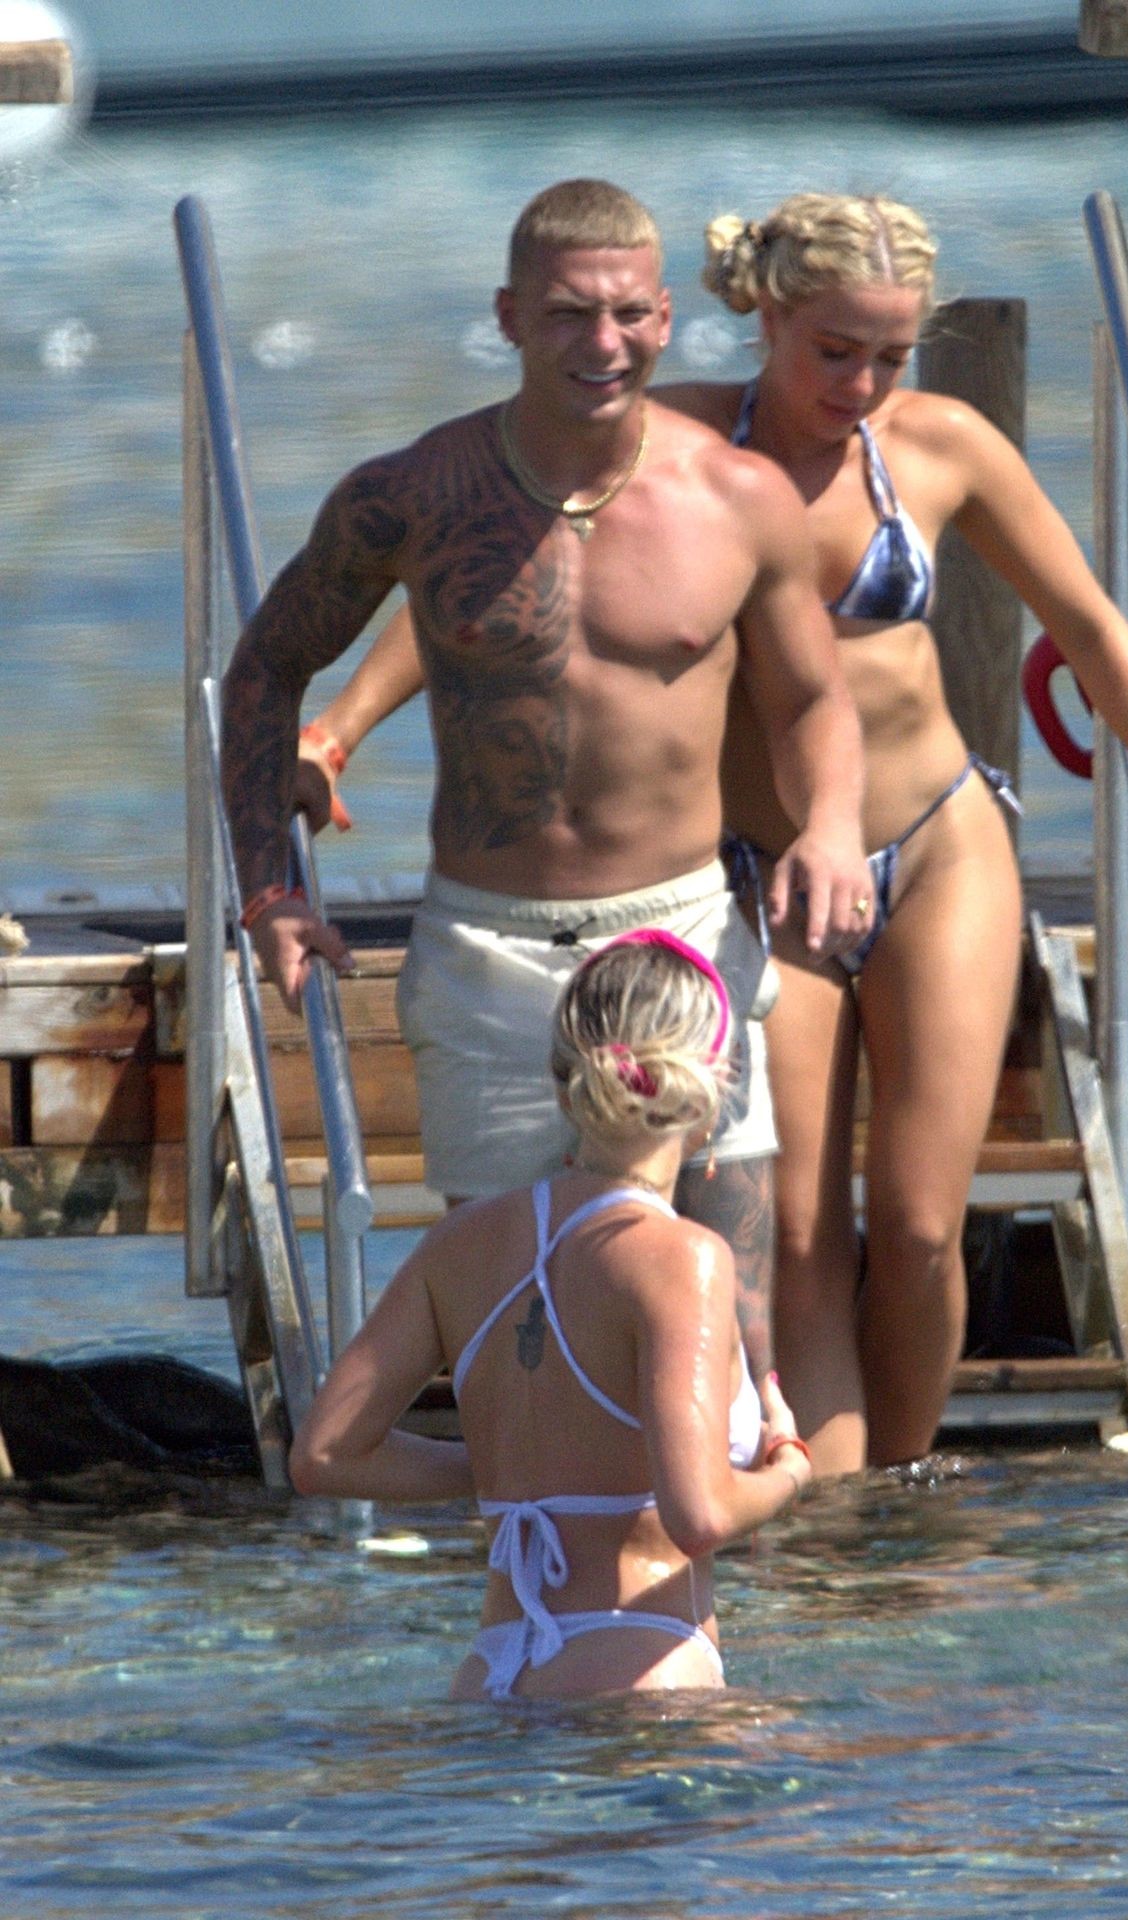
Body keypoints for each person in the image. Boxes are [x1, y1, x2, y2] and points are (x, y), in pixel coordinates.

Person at [295, 191, 1128, 1474]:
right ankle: (819, 1519)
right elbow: (491, 585)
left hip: (932, 845)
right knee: (804, 1232)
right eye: (833, 350)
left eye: (890, 354)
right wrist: (338, 730)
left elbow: (1092, 628)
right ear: (764, 318)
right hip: (764, 879)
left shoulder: (941, 444)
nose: (861, 384)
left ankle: (898, 1496)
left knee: (922, 1225)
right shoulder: (670, 442)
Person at [221, 180, 872, 1396]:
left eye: (627, 314)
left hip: (681, 937)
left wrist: (832, 825)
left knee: (732, 1338)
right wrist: (268, 890)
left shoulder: (738, 499)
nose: (602, 343)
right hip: (490, 951)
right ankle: (528, 1527)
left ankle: (730, 1528)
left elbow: (811, 701)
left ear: (666, 317)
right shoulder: (414, 496)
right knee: (511, 1344)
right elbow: (264, 669)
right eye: (570, 314)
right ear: (510, 317)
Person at [291, 932, 814, 1700]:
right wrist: (789, 1471)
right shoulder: (684, 1258)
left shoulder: (460, 1243)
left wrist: (500, 1467)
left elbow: (325, 1456)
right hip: (640, 1659)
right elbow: (698, 1514)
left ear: (564, 1082)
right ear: (710, 1095)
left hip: (492, 1669)